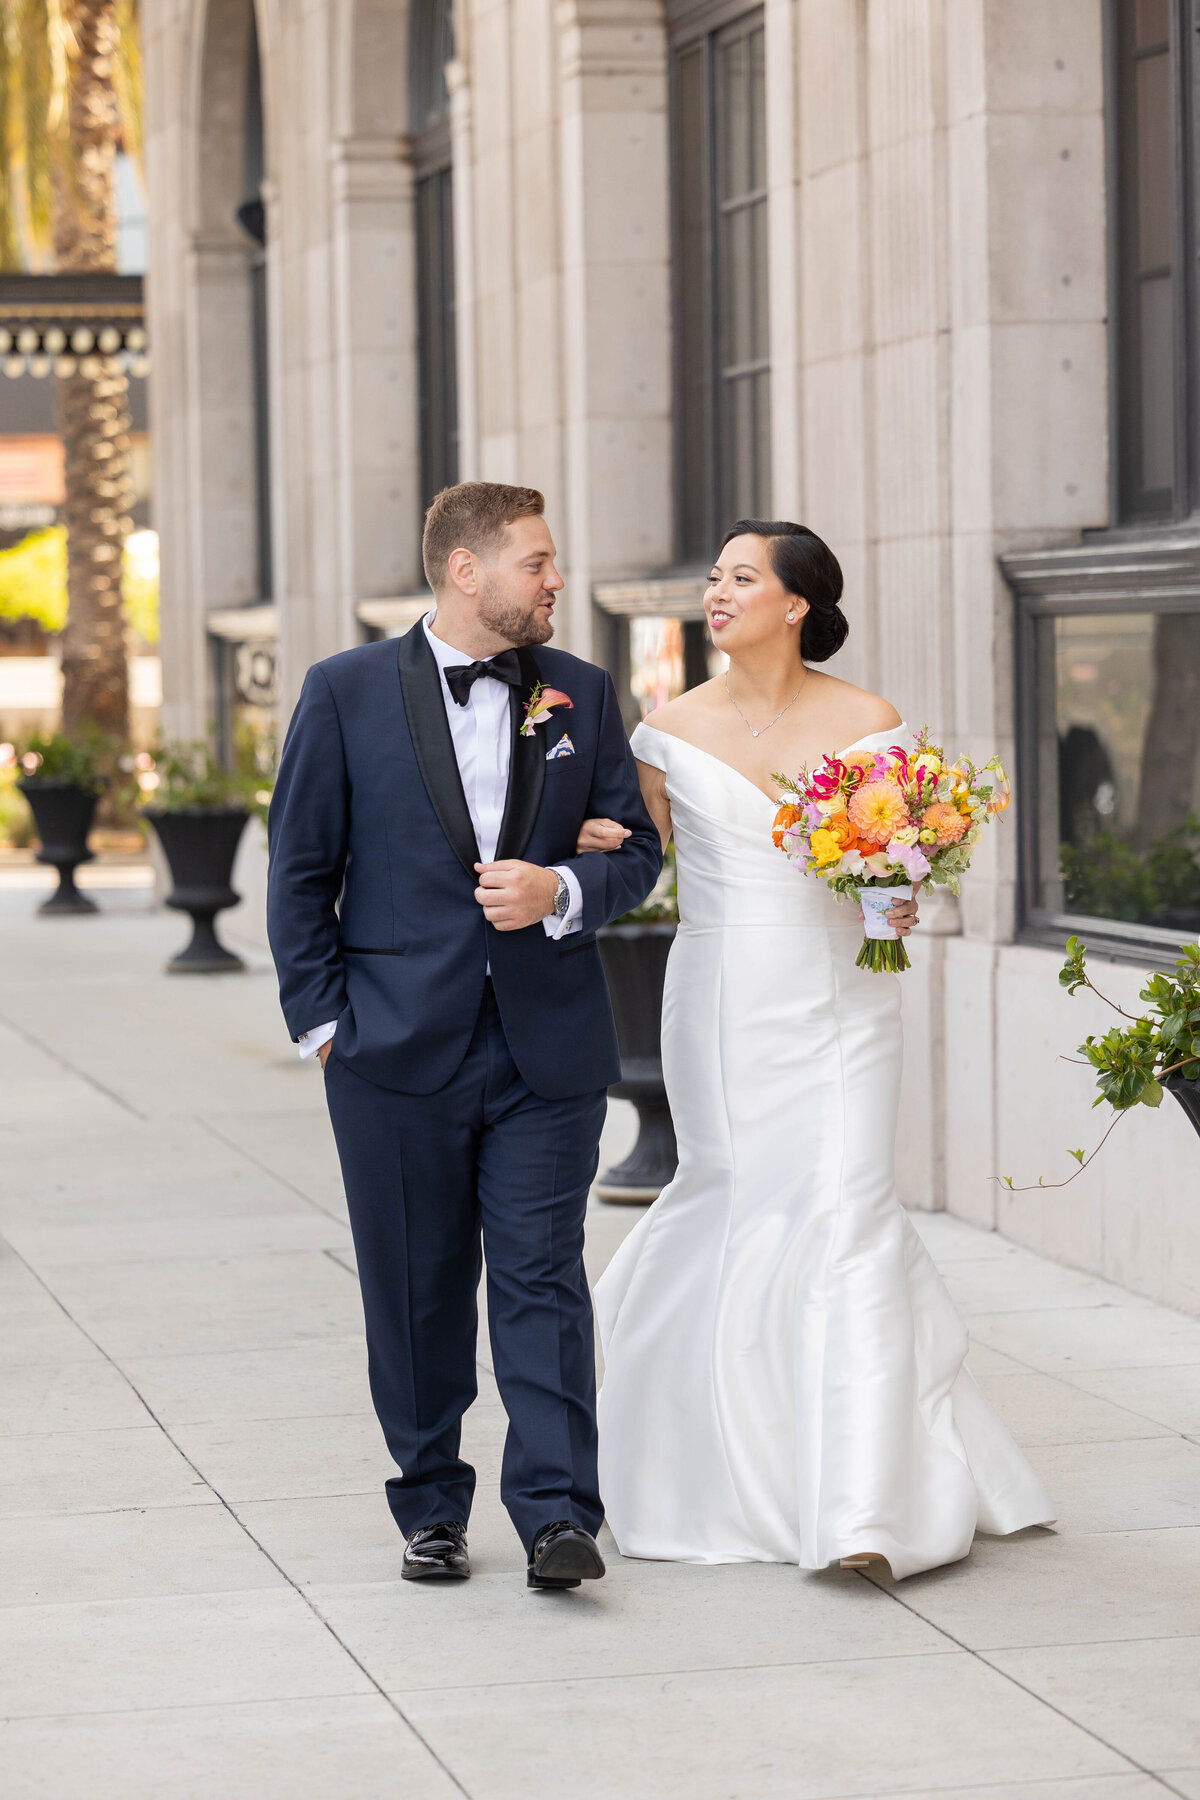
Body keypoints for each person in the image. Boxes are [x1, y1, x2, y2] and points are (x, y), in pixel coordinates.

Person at [589, 519, 1054, 1578]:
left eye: (740, 577)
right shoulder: (662, 733)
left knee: (846, 1209)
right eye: (712, 578)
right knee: (728, 1193)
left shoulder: (870, 723)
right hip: (717, 1001)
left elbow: (903, 889)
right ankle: (686, 1458)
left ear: (795, 604)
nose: (716, 592)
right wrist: (587, 844)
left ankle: (859, 1512)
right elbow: (640, 866)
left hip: (846, 1003)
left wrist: (898, 877)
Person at [266, 481, 662, 1591]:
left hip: (548, 1048)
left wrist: (565, 887)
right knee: (415, 1284)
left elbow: (636, 849)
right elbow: (299, 873)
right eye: (537, 561)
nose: (556, 581)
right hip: (391, 1050)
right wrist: (326, 1025)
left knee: (542, 1278)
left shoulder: (580, 692)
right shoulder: (344, 692)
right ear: (466, 571)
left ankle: (555, 1516)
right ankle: (430, 1503)